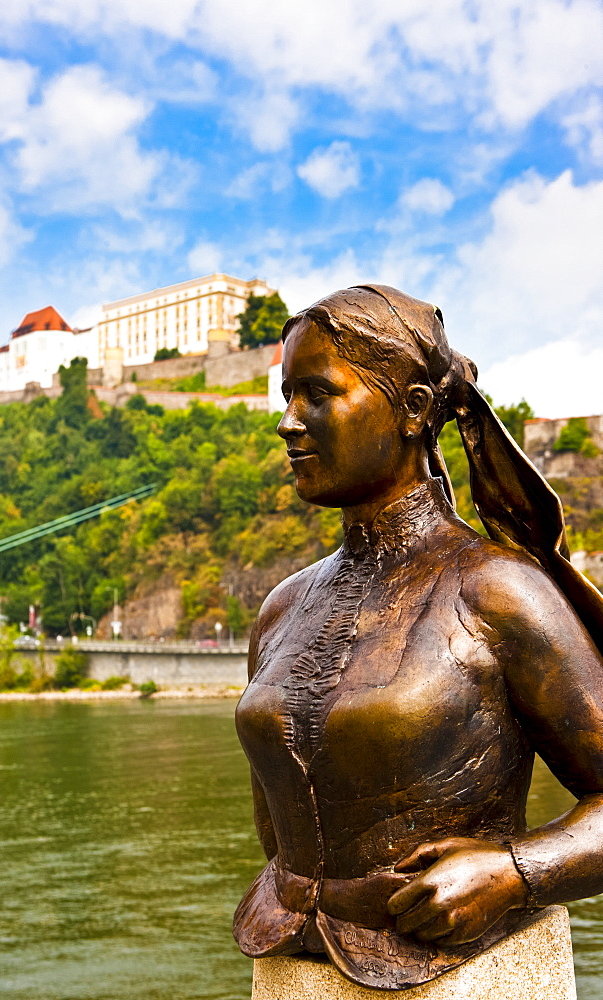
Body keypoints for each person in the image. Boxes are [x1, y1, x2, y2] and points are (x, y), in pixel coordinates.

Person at [233, 284, 603, 991]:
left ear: (412, 410)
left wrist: (515, 873)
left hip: (457, 970)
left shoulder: (497, 589)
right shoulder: (282, 608)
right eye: (286, 396)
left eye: (317, 393)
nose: (288, 422)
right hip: (287, 962)